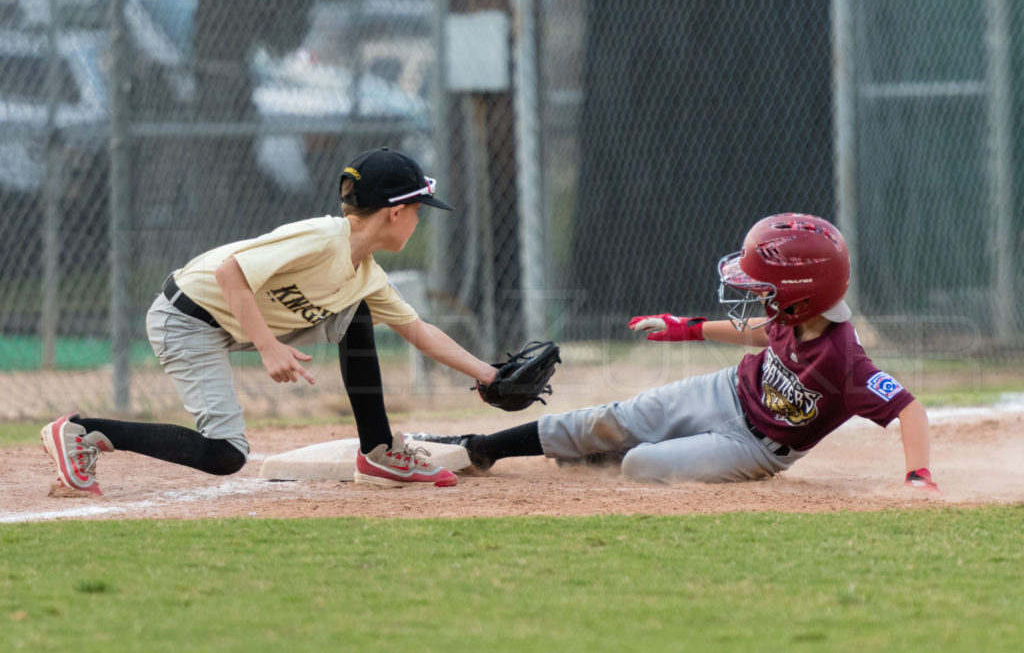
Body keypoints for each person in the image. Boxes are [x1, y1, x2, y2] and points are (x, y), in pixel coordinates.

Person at [41, 147, 499, 493]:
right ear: (395, 212)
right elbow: (229, 271)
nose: (419, 220)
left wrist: (489, 375)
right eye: (418, 211)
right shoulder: (323, 238)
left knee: (358, 307)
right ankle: (84, 432)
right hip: (187, 318)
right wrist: (268, 345)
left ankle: (378, 452)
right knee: (225, 455)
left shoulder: (366, 275)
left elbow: (419, 331)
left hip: (234, 320)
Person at [412, 213, 940, 492]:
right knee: (610, 420)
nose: (753, 292)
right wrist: (687, 328)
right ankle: (481, 447)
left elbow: (908, 408)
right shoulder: (792, 318)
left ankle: (607, 455)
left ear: (802, 296)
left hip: (758, 448)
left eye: (763, 287)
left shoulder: (847, 362)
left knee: (640, 464)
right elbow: (762, 335)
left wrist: (918, 477)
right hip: (726, 392)